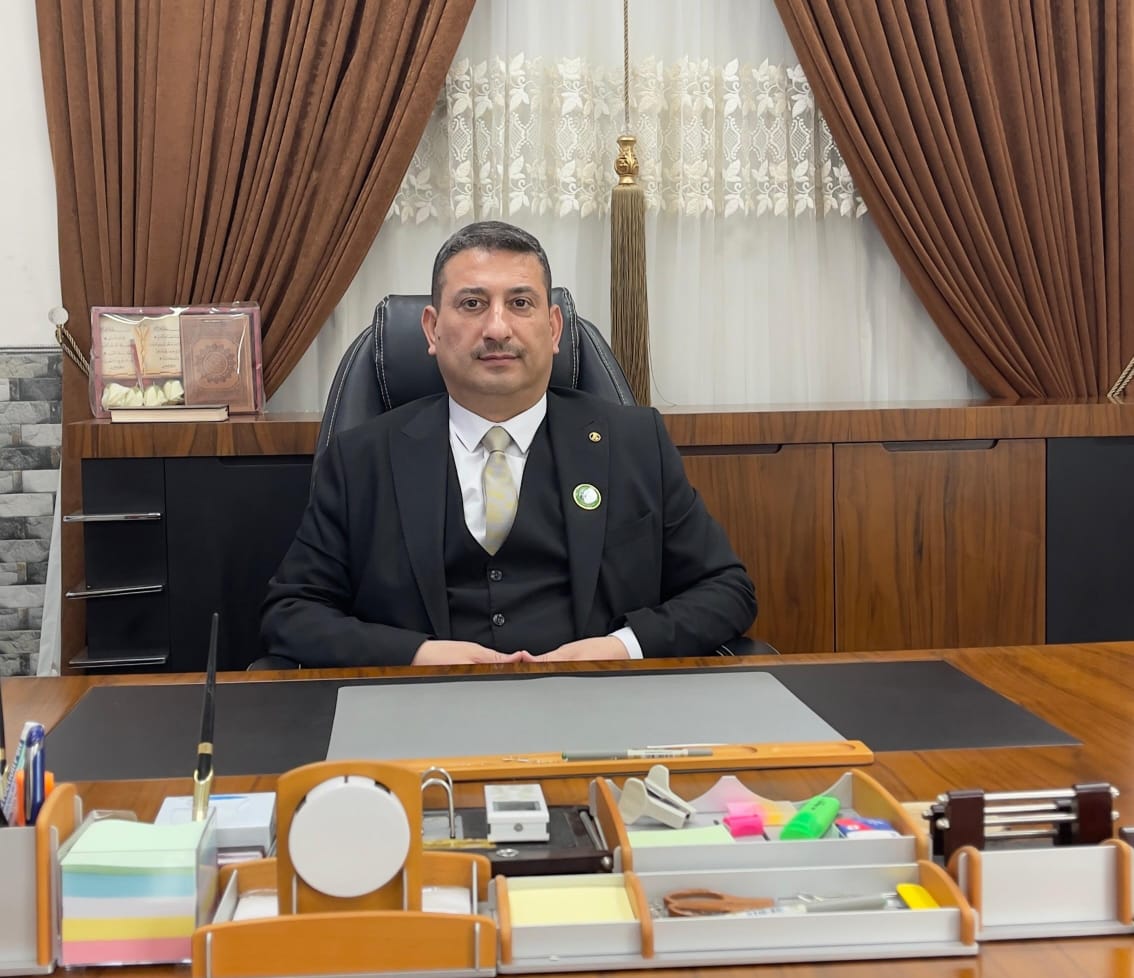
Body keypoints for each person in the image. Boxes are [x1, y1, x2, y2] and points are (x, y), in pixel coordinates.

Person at [261, 221, 756, 666]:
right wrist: (417, 655)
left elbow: (726, 590)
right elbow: (292, 612)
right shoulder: (361, 459)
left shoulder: (635, 443)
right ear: (432, 329)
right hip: (421, 710)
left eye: (520, 304)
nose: (497, 328)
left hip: (597, 705)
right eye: (472, 304)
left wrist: (618, 648)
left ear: (554, 328)